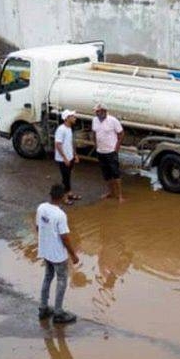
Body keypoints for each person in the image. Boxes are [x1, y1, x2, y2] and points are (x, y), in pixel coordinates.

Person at [37, 184, 81, 325]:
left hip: (45, 251)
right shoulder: (60, 215)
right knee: (62, 280)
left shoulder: (41, 208)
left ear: (50, 194)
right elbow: (65, 238)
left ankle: (43, 308)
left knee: (48, 277)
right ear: (63, 197)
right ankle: (58, 313)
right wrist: (73, 255)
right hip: (58, 255)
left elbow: (38, 227)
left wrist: (45, 241)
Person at [91, 103, 124, 202]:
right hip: (100, 151)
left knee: (115, 173)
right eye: (96, 112)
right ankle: (110, 191)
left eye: (98, 111)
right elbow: (94, 133)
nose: (97, 113)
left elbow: (121, 133)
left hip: (111, 151)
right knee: (106, 174)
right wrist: (95, 144)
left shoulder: (113, 120)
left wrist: (117, 146)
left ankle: (120, 195)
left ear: (104, 111)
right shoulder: (94, 120)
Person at [55, 110, 80, 205]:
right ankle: (64, 197)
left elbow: (70, 143)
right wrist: (64, 158)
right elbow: (58, 144)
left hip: (69, 157)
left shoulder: (69, 128)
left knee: (68, 176)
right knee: (65, 178)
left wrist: (75, 155)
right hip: (63, 159)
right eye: (72, 116)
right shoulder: (61, 129)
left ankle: (69, 193)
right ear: (67, 118)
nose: (75, 118)